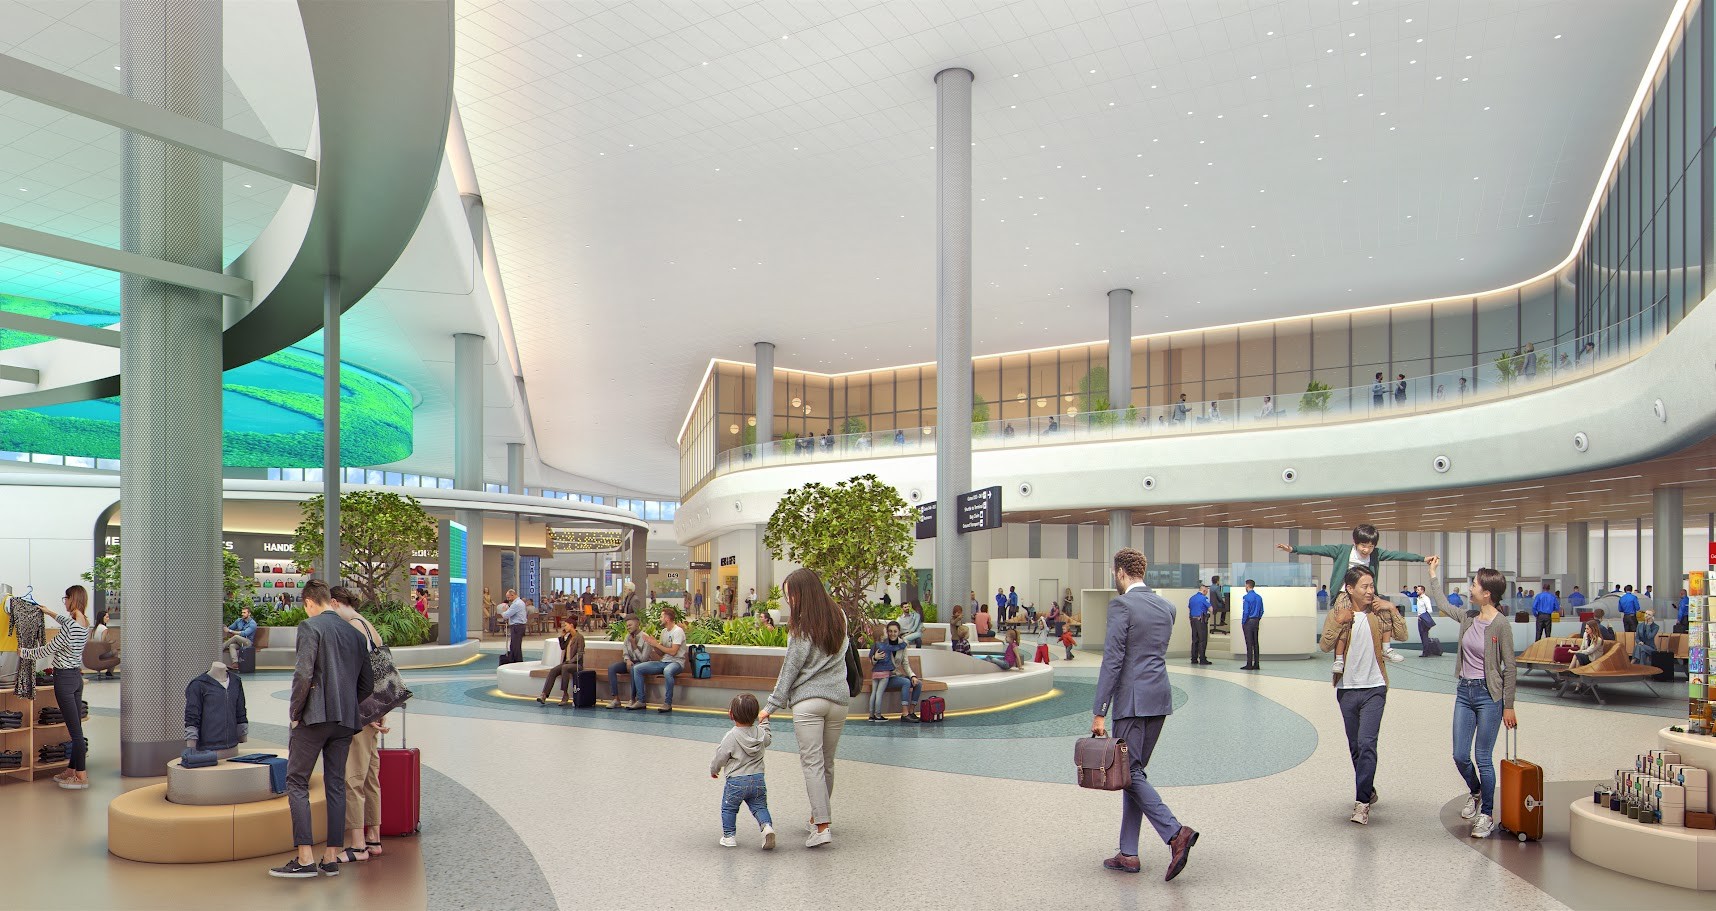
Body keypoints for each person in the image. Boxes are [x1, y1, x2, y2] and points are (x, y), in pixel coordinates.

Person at [1091, 547, 1199, 880]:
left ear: (1120, 572)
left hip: (1132, 702)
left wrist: (1099, 712)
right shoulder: (1166, 607)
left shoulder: (1121, 605)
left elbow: (1113, 661)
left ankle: (1174, 832)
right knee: (1132, 773)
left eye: (1114, 573)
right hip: (1160, 698)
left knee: (1131, 773)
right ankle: (1128, 853)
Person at [273, 580, 373, 878]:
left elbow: (303, 673)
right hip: (345, 721)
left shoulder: (310, 626)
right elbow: (366, 684)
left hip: (313, 718)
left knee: (297, 781)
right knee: (335, 784)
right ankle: (330, 856)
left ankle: (305, 858)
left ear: (309, 602)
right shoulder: (355, 634)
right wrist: (346, 704)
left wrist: (295, 712)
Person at [1424, 558, 1518, 839]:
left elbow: (1510, 666)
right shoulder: (1468, 617)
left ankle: (1487, 814)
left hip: (1490, 696)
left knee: (1483, 758)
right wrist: (1432, 574)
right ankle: (1475, 792)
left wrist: (1509, 705)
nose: (1470, 588)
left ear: (1487, 593)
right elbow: (1442, 603)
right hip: (1464, 692)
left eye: (1474, 584)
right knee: (1459, 755)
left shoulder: (1501, 625)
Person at [760, 568, 850, 849]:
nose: (789, 601)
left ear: (801, 593)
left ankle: (822, 827)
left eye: (790, 595)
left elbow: (790, 669)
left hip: (809, 703)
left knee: (812, 764)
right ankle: (816, 818)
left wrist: (770, 706)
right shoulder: (839, 616)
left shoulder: (801, 627)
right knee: (827, 762)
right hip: (838, 700)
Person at [1317, 566, 1406, 826]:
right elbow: (1325, 645)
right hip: (1346, 689)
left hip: (1375, 688)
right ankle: (1368, 787)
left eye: (1372, 586)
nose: (1370, 591)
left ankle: (1362, 801)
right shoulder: (1339, 613)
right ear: (1350, 588)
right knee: (1356, 746)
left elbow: (1402, 634)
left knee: (1367, 743)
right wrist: (1338, 620)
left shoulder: (1378, 613)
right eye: (1365, 586)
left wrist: (1392, 608)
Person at [329, 587, 387, 864]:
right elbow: (383, 671)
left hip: (360, 712)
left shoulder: (351, 628)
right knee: (370, 776)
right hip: (374, 708)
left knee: (352, 776)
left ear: (335, 603)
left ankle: (357, 845)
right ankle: (373, 838)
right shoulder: (367, 624)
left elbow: (354, 675)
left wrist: (362, 710)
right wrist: (379, 709)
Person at [20, 586, 91, 790]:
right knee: (76, 728)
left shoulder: (70, 629)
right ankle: (71, 770)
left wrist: (23, 652)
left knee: (74, 733)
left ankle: (81, 776)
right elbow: (65, 620)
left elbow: (47, 650)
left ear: (72, 599)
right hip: (75, 677)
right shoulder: (83, 623)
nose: (64, 602)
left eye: (65, 598)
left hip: (65, 679)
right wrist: (48, 611)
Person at [1278, 525, 1428, 612]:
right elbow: (1319, 549)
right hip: (1345, 592)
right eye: (1363, 545)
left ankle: (1386, 648)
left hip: (1367, 593)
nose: (1366, 550)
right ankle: (1339, 657)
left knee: (1384, 614)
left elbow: (1398, 555)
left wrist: (1422, 559)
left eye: (1371, 546)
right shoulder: (1342, 551)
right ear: (1355, 542)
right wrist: (1293, 548)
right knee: (1342, 618)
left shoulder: (1376, 553)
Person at [711, 693, 775, 849]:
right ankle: (767, 827)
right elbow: (768, 739)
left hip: (736, 781)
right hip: (758, 779)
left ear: (731, 715)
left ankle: (729, 837)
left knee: (729, 807)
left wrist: (714, 769)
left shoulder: (731, 736)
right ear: (755, 715)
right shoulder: (760, 733)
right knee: (760, 806)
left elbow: (721, 756)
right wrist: (765, 721)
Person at [628, 607, 686, 713]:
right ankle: (641, 700)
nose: (660, 619)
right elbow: (661, 654)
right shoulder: (664, 632)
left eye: (661, 616)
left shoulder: (678, 631)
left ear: (667, 618)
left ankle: (667, 703)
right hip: (663, 662)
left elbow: (673, 652)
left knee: (667, 671)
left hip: (676, 663)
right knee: (637, 668)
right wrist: (653, 645)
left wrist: (656, 644)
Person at [866, 621, 923, 723]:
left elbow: (905, 664)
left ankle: (911, 711)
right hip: (886, 677)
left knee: (918, 683)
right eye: (890, 631)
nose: (892, 633)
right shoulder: (883, 643)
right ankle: (905, 714)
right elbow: (872, 661)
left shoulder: (902, 644)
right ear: (887, 632)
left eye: (895, 631)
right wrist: (875, 658)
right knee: (905, 682)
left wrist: (912, 676)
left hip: (894, 675)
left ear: (898, 632)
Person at [537, 618, 586, 706]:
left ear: (571, 625)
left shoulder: (579, 637)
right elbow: (563, 647)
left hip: (576, 664)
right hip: (567, 663)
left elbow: (580, 653)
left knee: (565, 667)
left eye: (566, 625)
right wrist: (562, 637)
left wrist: (571, 661)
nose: (564, 627)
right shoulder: (569, 636)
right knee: (553, 671)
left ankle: (565, 694)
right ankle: (544, 694)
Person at [605, 615, 651, 709]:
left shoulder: (645, 638)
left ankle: (632, 699)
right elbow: (625, 652)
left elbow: (644, 659)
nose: (628, 627)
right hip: (630, 662)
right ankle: (616, 699)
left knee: (635, 669)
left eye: (630, 625)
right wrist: (627, 660)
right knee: (612, 668)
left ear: (638, 624)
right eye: (627, 626)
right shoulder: (627, 637)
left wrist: (634, 645)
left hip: (642, 664)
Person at [1239, 580, 1264, 670]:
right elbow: (1262, 611)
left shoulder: (1246, 597)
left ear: (1247, 586)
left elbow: (1246, 611)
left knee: (1249, 643)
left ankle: (1249, 664)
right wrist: (1257, 618)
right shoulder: (1259, 597)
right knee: (1255, 643)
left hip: (1248, 621)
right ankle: (1256, 664)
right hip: (1256, 621)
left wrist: (1243, 622)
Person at [500, 588, 527, 664]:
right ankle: (515, 660)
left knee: (515, 646)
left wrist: (504, 611)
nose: (507, 599)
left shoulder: (516, 604)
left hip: (517, 626)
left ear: (513, 595)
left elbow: (506, 615)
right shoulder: (519, 602)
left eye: (508, 597)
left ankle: (517, 662)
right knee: (514, 645)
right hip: (518, 626)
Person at [1186, 584, 1211, 666]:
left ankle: (1194, 658)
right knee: (1202, 639)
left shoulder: (1192, 598)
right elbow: (1211, 609)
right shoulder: (1204, 598)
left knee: (1195, 639)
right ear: (1204, 591)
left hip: (1193, 620)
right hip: (1201, 620)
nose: (1206, 593)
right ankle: (1202, 659)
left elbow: (1190, 607)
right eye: (1206, 592)